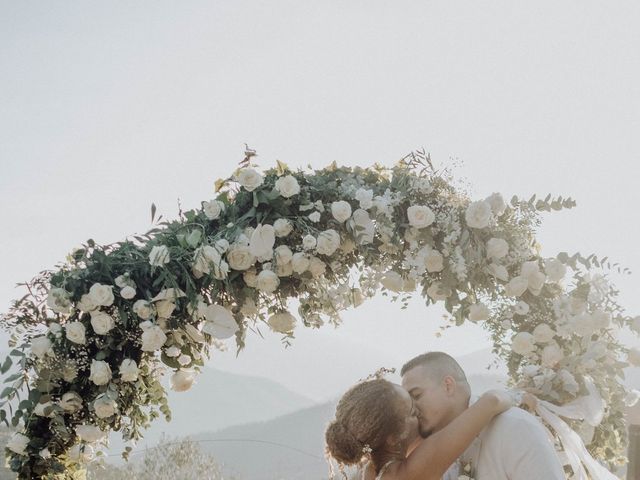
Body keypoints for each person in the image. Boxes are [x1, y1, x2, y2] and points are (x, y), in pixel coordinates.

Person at [400, 352, 565, 479]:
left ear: (448, 386)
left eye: (416, 395)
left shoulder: (514, 426)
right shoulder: (429, 454)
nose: (411, 409)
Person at [324, 377, 516, 480]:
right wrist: (520, 396)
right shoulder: (412, 472)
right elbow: (492, 401)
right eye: (413, 411)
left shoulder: (367, 471)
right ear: (392, 437)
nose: (421, 412)